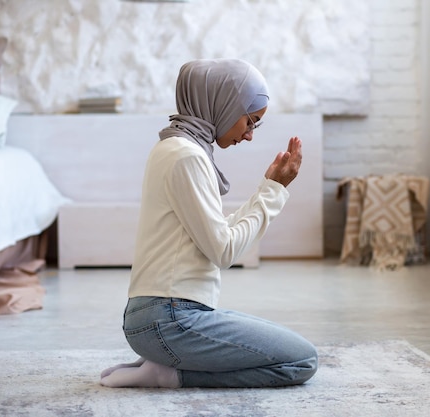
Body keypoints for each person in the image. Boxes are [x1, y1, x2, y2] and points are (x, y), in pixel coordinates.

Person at [99, 58, 318, 389]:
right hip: (170, 321)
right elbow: (224, 250)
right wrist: (273, 193)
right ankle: (169, 373)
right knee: (302, 360)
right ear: (224, 103)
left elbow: (216, 234)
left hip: (163, 317)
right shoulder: (186, 156)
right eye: (250, 121)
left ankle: (159, 363)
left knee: (284, 347)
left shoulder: (176, 147)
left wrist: (268, 187)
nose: (249, 135)